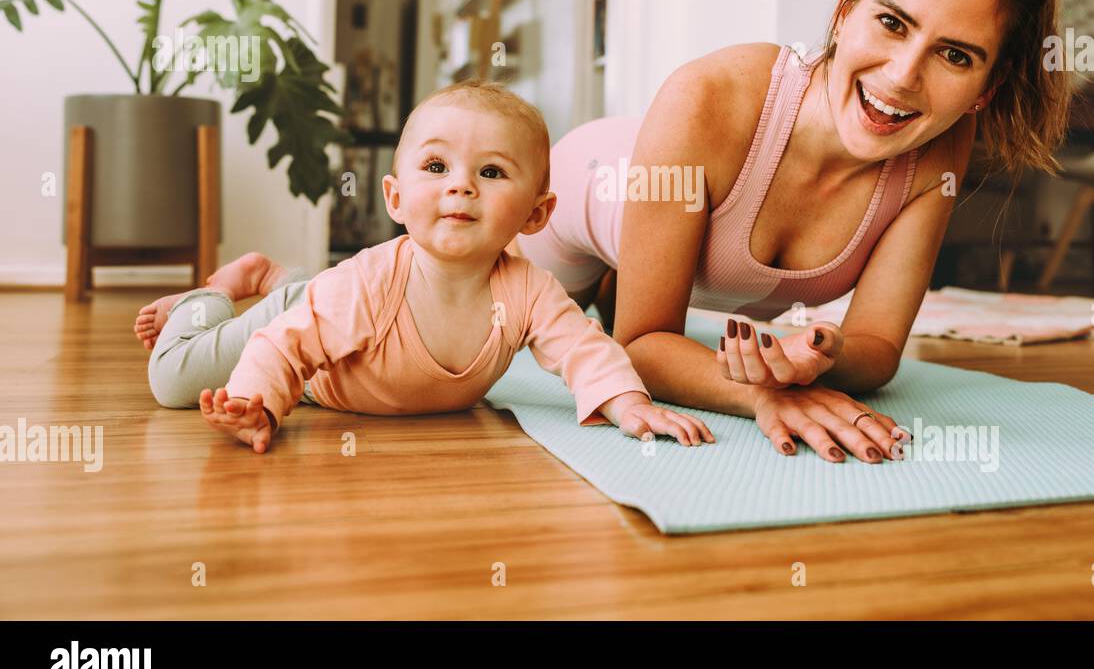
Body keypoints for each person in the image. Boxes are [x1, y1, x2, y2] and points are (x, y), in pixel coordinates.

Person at [515, 0, 1073, 465]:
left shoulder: (938, 145)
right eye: (891, 22)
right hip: (578, 198)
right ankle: (605, 279)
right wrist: (762, 394)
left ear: (987, 87)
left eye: (955, 56)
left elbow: (878, 347)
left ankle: (620, 283)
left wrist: (821, 356)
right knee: (492, 330)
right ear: (844, 9)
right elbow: (641, 344)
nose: (904, 77)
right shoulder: (707, 96)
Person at [134, 82, 713, 454]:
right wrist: (256, 405)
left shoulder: (530, 292)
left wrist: (631, 405)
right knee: (173, 382)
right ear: (394, 197)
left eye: (491, 173)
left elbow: (585, 348)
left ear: (536, 214)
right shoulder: (366, 286)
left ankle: (276, 277)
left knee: (314, 297)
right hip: (305, 331)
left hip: (325, 305)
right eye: (436, 165)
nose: (461, 184)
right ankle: (207, 299)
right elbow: (281, 349)